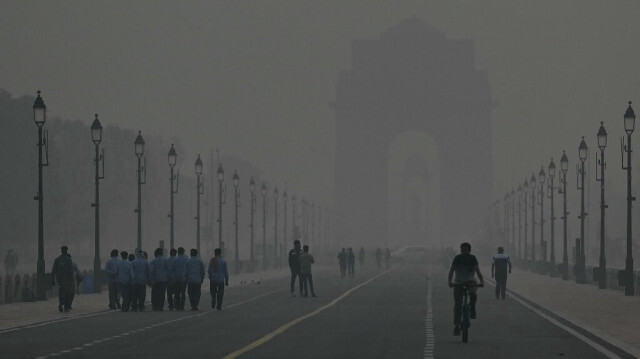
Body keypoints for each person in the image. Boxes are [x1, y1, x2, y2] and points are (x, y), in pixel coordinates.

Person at [448, 242, 485, 336]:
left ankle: (472, 307)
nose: (463, 251)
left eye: (465, 250)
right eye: (462, 250)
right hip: (458, 283)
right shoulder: (457, 258)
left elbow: (478, 271)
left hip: (470, 282)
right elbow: (451, 271)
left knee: (473, 294)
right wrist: (449, 281)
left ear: (469, 250)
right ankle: (456, 325)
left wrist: (482, 281)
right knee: (458, 304)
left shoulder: (473, 258)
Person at [51, 246, 74, 312]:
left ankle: (61, 303)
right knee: (67, 293)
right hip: (68, 280)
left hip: (60, 280)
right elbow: (71, 271)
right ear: (66, 251)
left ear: (61, 251)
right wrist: (72, 280)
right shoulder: (69, 260)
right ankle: (66, 307)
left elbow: (53, 271)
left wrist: (52, 280)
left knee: (61, 292)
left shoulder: (57, 260)